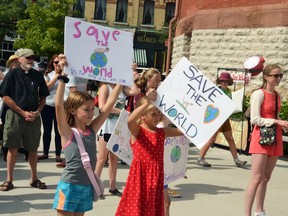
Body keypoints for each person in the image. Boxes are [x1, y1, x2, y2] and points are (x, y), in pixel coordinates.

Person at [53, 54, 123, 215]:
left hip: (86, 187)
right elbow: (58, 106)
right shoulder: (67, 131)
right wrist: (63, 77)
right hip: (69, 186)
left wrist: (121, 80)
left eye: (92, 109)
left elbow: (109, 104)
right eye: (86, 109)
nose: (92, 113)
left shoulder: (92, 130)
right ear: (72, 110)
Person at [115, 94, 183, 216]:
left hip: (156, 175)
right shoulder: (138, 131)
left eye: (159, 113)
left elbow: (182, 132)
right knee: (136, 206)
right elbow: (130, 120)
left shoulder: (162, 132)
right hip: (140, 176)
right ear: (142, 115)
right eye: (153, 114)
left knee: (152, 207)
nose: (157, 117)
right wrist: (147, 103)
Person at [0, 48, 49, 191]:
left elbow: (43, 96)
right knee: (12, 147)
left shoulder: (37, 75)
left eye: (32, 58)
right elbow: (5, 96)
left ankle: (34, 179)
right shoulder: (12, 75)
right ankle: (9, 180)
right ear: (19, 59)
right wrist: (22, 112)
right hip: (15, 115)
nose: (30, 60)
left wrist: (37, 111)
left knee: (33, 148)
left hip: (33, 116)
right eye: (27, 57)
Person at [245, 64, 288, 216]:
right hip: (261, 138)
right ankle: (247, 213)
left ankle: (260, 211)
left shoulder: (277, 95)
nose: (278, 79)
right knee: (256, 179)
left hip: (274, 137)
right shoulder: (259, 94)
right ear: (266, 77)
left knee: (265, 178)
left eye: (280, 75)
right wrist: (277, 122)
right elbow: (255, 119)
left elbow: (274, 116)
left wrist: (280, 123)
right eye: (275, 75)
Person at [95, 81, 139, 197]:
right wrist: (121, 111)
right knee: (101, 158)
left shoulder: (122, 87)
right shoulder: (106, 87)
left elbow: (135, 91)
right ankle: (95, 188)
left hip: (118, 127)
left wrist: (132, 77)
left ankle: (112, 187)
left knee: (114, 158)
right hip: (106, 126)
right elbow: (102, 107)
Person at [196, 72, 247, 168]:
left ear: (229, 82)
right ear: (220, 81)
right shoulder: (217, 90)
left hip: (225, 118)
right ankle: (200, 158)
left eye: (226, 81)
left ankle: (236, 160)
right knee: (211, 139)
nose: (224, 82)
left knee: (230, 139)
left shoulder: (228, 91)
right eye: (222, 81)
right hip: (216, 117)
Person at [38, 54, 69, 163]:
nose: (58, 64)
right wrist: (56, 77)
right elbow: (46, 89)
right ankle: (45, 152)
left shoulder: (66, 75)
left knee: (58, 130)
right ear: (52, 63)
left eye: (60, 62)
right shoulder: (48, 75)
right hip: (47, 105)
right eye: (55, 62)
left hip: (60, 106)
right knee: (47, 130)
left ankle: (57, 154)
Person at [1, 54, 29, 162]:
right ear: (10, 64)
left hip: (23, 106)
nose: (16, 64)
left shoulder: (26, 74)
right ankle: (6, 152)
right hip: (8, 107)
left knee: (26, 131)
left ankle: (26, 152)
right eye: (14, 62)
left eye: (17, 62)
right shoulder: (6, 75)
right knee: (7, 131)